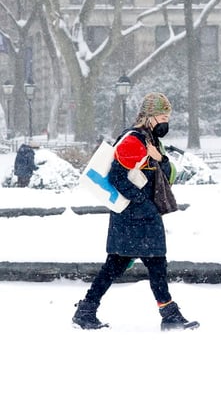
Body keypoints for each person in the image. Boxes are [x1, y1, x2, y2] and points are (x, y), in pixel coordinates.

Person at [72, 92, 198, 331]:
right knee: (140, 264)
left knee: (127, 265)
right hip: (134, 216)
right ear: (149, 117)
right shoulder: (133, 140)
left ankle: (86, 310)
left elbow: (165, 171)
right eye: (161, 116)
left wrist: (158, 157)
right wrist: (143, 203)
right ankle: (169, 316)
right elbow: (117, 177)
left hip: (138, 217)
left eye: (167, 116)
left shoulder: (150, 141)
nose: (165, 121)